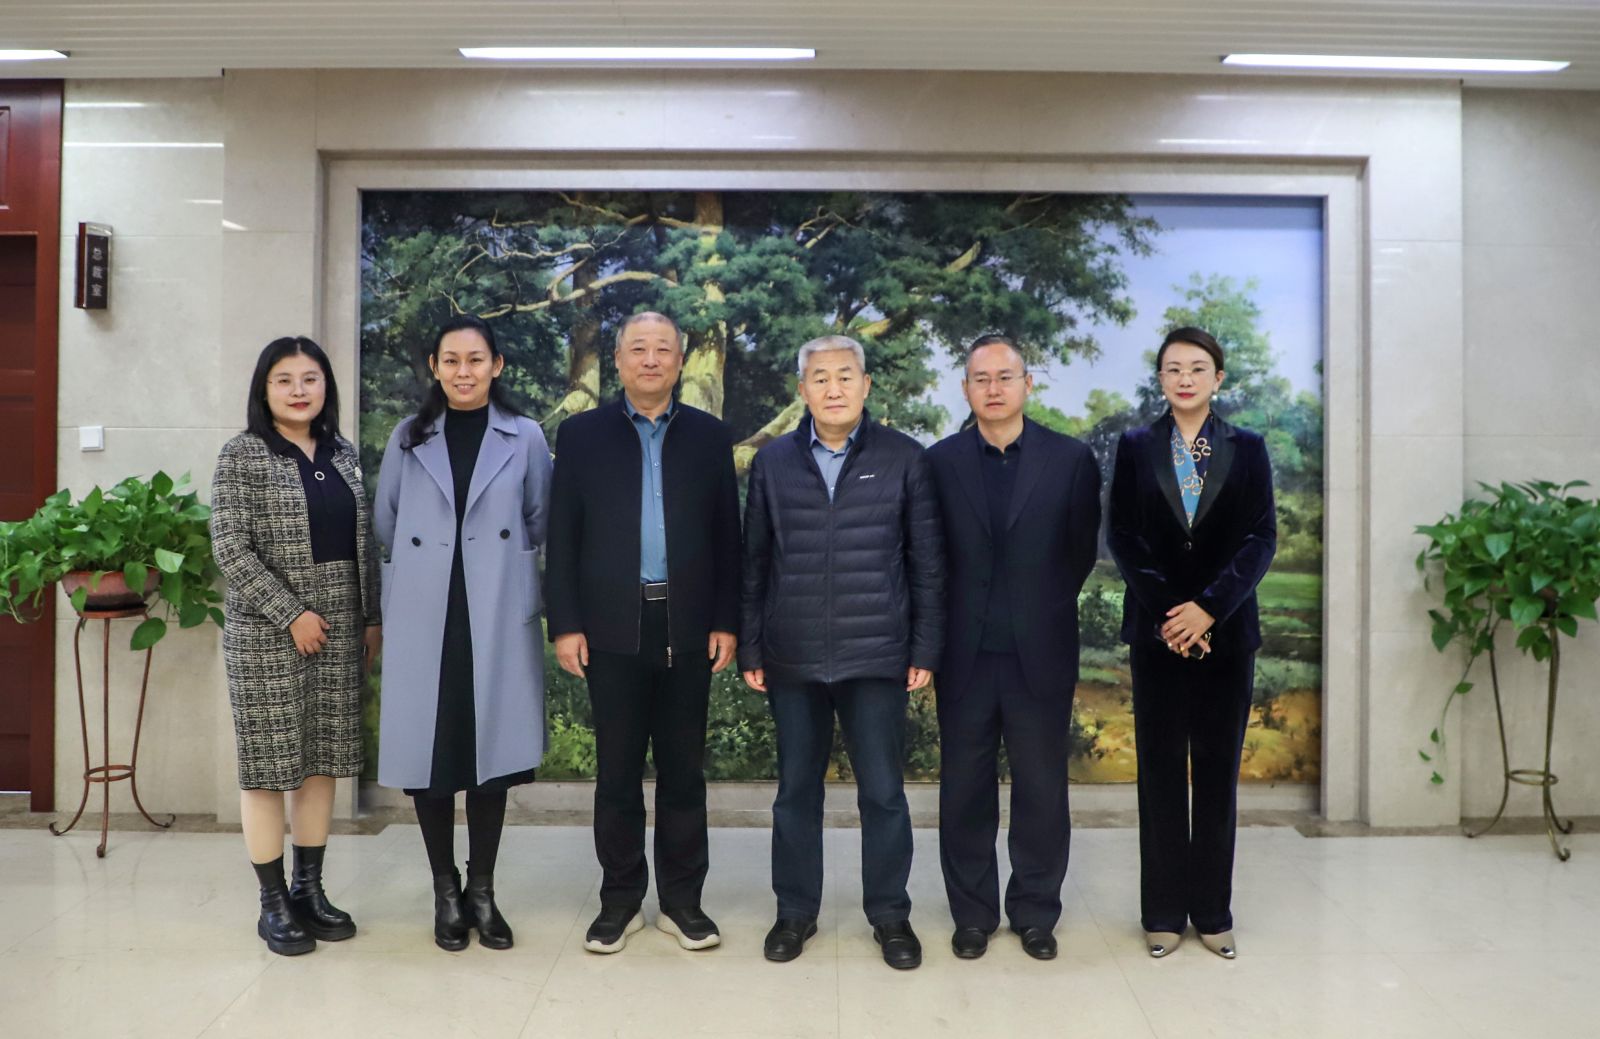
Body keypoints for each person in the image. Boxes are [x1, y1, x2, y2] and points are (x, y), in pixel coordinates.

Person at [741, 334, 945, 971]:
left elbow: (927, 565)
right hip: (793, 653)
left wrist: (924, 647)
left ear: (866, 385)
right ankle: (794, 912)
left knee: (883, 794)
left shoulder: (905, 458)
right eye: (821, 378)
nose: (834, 388)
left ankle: (890, 916)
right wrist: (751, 644)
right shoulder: (773, 462)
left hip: (876, 654)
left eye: (845, 376)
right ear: (802, 389)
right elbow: (754, 563)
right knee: (795, 793)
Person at [546, 311, 741, 954]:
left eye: (663, 349)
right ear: (619, 360)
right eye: (638, 349)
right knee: (617, 773)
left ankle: (683, 903)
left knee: (684, 773)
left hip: (688, 623)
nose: (650, 359)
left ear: (680, 361)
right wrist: (566, 624)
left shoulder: (709, 437)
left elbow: (729, 537)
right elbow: (563, 537)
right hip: (610, 625)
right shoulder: (582, 436)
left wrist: (726, 620)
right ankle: (620, 901)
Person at [374, 314, 552, 952]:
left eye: (476, 360)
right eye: (451, 360)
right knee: (432, 757)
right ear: (435, 366)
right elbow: (387, 523)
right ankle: (444, 890)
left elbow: (539, 518)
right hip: (427, 610)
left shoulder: (525, 436)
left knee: (489, 759)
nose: (464, 371)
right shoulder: (408, 436)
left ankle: (483, 889)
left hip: (495, 607)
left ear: (496, 366)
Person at [925, 334, 1101, 962]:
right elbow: (930, 556)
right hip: (964, 655)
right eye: (981, 379)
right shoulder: (939, 462)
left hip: (1040, 652)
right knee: (964, 791)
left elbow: (1079, 552)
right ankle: (972, 915)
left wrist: (1036, 607)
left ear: (1028, 384)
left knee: (1042, 791)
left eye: (1005, 377)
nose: (993, 388)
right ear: (965, 389)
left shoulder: (1070, 459)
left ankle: (1034, 912)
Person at [1107, 326, 1276, 960]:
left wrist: (1208, 609)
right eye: (1173, 368)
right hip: (1156, 636)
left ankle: (1211, 912)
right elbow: (1124, 536)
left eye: (1197, 368)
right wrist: (1171, 615)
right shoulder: (1135, 446)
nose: (1185, 378)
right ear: (1160, 379)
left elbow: (1260, 538)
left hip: (1226, 636)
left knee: (1216, 774)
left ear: (1218, 379)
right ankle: (1160, 914)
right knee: (1158, 772)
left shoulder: (1248, 448)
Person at [211, 335, 382, 956]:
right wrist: (291, 614)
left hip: (338, 628)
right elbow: (230, 548)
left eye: (310, 378)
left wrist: (371, 617)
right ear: (264, 390)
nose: (299, 390)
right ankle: (273, 902)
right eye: (284, 380)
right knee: (269, 768)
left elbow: (364, 544)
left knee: (321, 762)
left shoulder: (343, 453)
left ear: (325, 386)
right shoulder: (243, 455)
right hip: (268, 635)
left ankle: (310, 890)